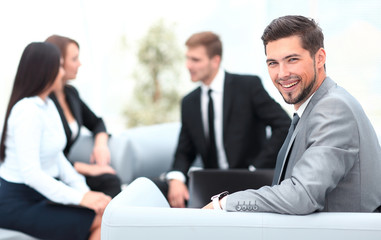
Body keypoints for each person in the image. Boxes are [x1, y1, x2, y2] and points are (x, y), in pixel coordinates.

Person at [203, 15, 381, 213]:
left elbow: (301, 196)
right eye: (273, 63)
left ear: (320, 58)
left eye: (292, 59)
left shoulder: (333, 108)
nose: (282, 73)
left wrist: (224, 204)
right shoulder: (312, 109)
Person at [164, 31, 291, 208]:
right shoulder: (189, 102)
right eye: (187, 58)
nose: (188, 65)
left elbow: (284, 126)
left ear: (215, 61)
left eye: (195, 60)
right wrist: (176, 178)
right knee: (162, 188)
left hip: (252, 183)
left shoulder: (248, 87)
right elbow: (185, 150)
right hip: (212, 185)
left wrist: (257, 167)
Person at [0, 42, 111, 240]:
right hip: (17, 203)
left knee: (105, 215)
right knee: (104, 222)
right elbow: (32, 175)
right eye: (59, 66)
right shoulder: (27, 111)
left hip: (42, 195)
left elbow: (58, 158)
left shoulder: (47, 104)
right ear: (46, 70)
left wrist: (86, 193)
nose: (63, 72)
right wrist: (81, 198)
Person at [45, 35, 121, 198]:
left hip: (69, 171)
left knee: (111, 181)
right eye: (74, 59)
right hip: (53, 174)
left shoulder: (71, 94)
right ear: (58, 62)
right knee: (107, 183)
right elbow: (48, 157)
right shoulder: (43, 102)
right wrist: (89, 168)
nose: (80, 64)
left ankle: (106, 222)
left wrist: (100, 144)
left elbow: (96, 122)